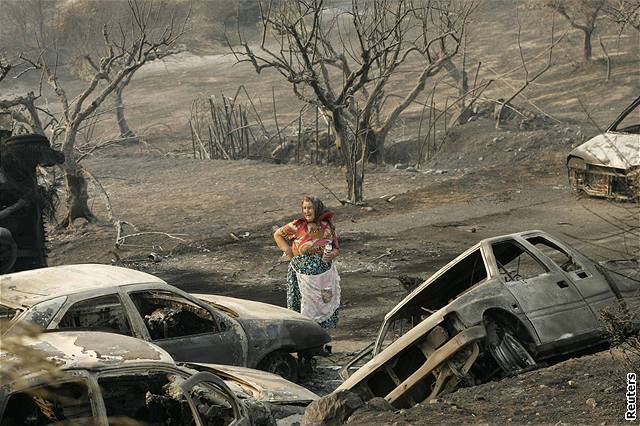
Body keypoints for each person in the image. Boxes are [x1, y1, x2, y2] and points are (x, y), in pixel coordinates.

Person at [273, 196, 340, 329]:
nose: (306, 211)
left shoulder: (327, 226)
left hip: (323, 277)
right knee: (305, 310)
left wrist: (332, 254)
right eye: (304, 208)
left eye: (310, 208)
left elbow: (336, 248)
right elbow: (277, 235)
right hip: (303, 277)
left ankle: (321, 339)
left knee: (323, 306)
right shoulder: (298, 225)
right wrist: (288, 250)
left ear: (317, 209)